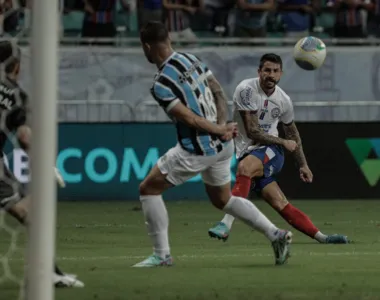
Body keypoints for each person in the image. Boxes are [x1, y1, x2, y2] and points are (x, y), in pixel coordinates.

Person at [132, 21, 293, 268]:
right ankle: (276, 234)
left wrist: (218, 128)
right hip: (222, 146)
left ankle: (162, 255)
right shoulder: (191, 59)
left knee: (149, 189)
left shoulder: (161, 83)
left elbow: (189, 118)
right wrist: (223, 126)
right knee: (222, 199)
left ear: (147, 46)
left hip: (195, 150)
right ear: (169, 40)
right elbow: (218, 90)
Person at [208, 53, 348, 245]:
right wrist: (283, 141)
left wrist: (303, 164)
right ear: (259, 72)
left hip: (271, 151)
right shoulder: (246, 90)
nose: (271, 75)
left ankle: (225, 224)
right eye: (267, 70)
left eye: (275, 71)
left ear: (281, 74)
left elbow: (293, 134)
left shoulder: (284, 100)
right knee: (280, 203)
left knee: (245, 169)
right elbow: (252, 131)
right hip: (251, 149)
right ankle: (322, 237)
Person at [0, 41, 84, 287]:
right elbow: (25, 138)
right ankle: (47, 273)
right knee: (34, 214)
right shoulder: (14, 93)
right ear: (17, 66)